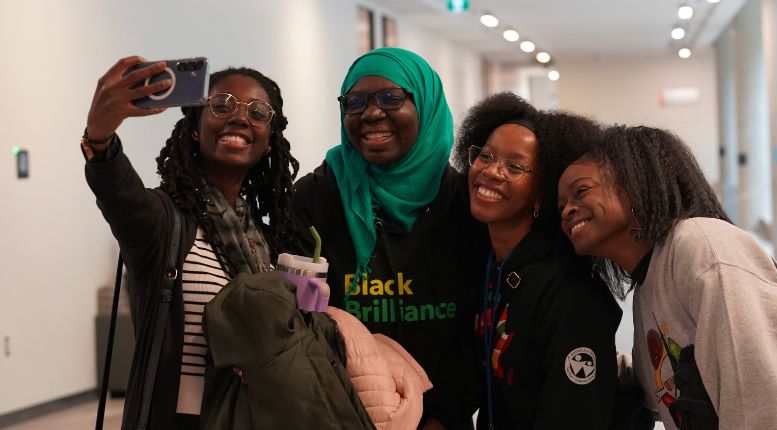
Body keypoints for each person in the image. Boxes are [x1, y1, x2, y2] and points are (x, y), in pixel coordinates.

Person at [557, 125, 777, 429]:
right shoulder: (648, 283)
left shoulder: (701, 244)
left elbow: (764, 396)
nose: (568, 210)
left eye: (581, 191)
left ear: (637, 183)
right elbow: (657, 390)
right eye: (561, 205)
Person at [83, 56, 299, 429]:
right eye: (221, 104)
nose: (239, 117)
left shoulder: (267, 242)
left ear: (268, 143)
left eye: (258, 112)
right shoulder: (163, 224)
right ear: (196, 127)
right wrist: (99, 140)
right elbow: (121, 195)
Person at [291, 47, 485, 429]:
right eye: (355, 101)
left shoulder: (466, 203)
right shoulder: (315, 198)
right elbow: (301, 317)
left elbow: (478, 324)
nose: (372, 113)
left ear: (426, 104)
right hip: (342, 414)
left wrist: (441, 416)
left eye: (391, 98)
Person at [453, 93, 623, 429]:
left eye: (514, 167)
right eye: (485, 156)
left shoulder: (568, 291)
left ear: (543, 191)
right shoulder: (489, 265)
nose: (491, 171)